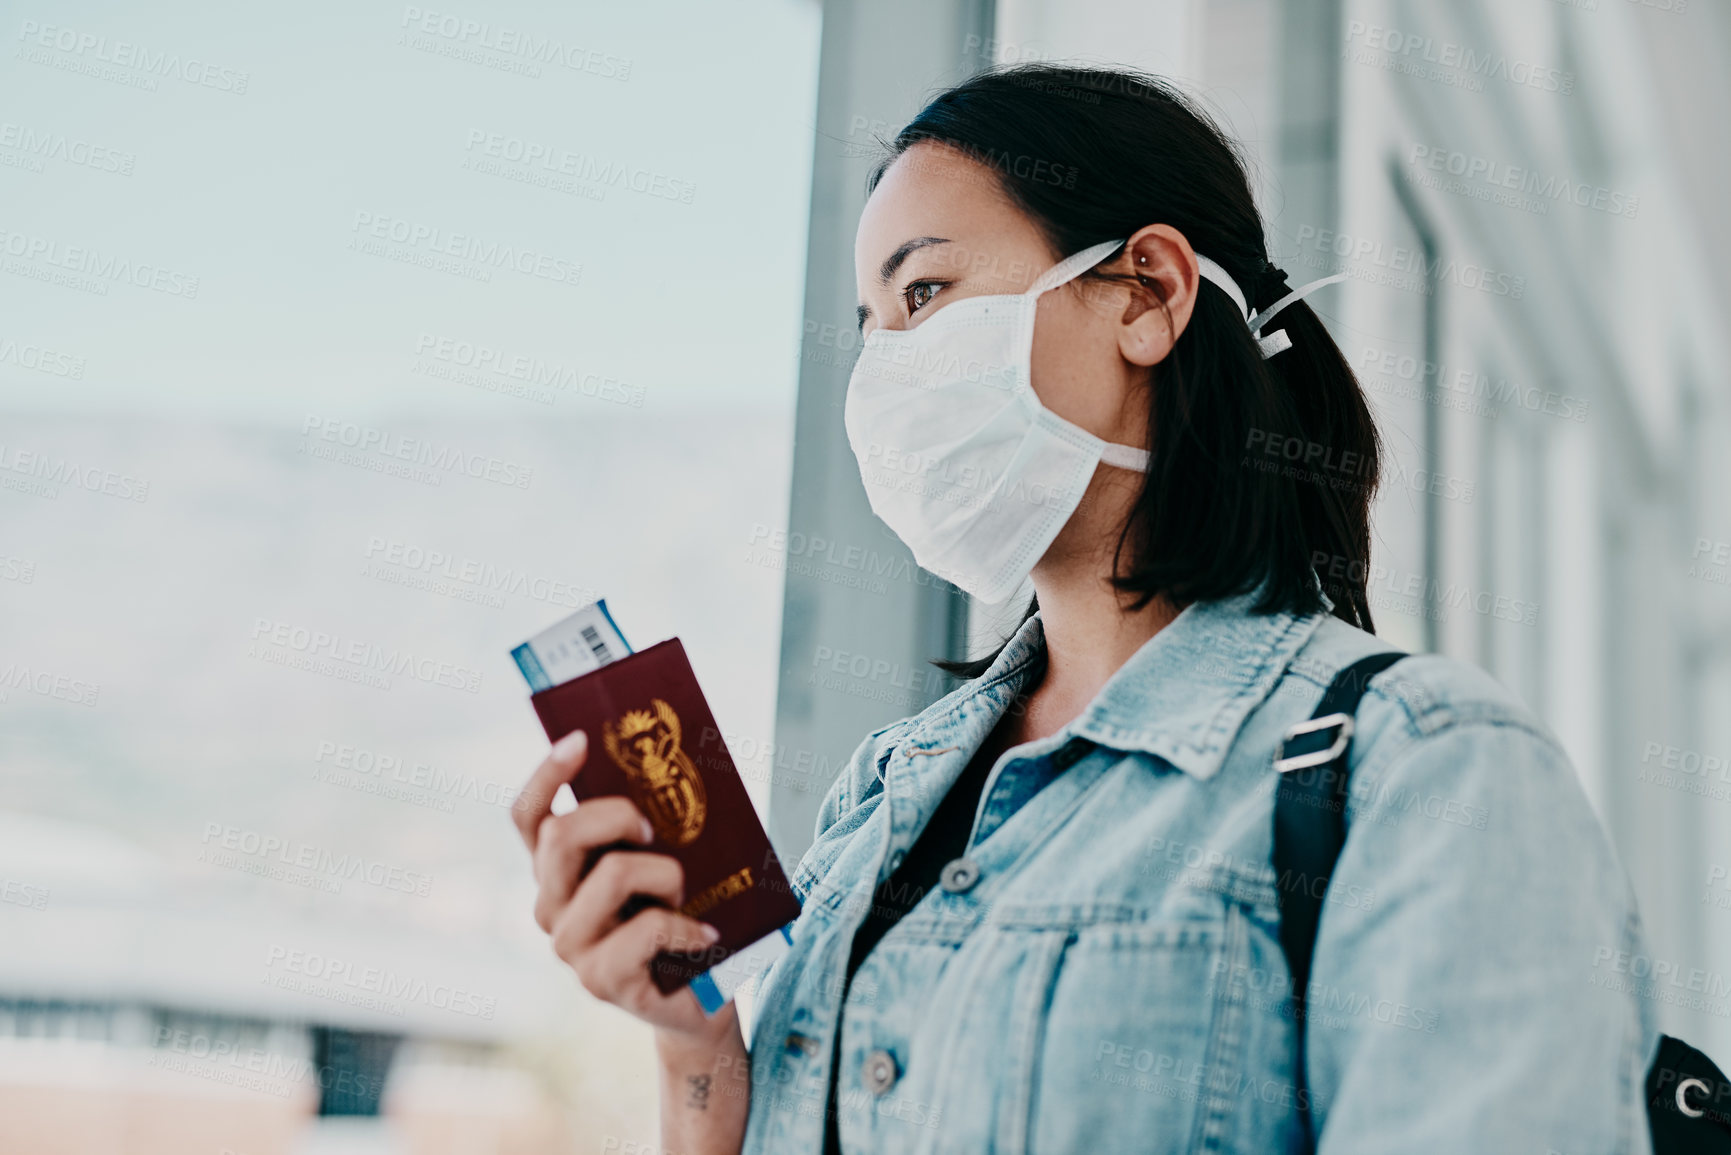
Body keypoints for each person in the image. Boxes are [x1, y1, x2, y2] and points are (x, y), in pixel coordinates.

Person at [512, 64, 1661, 1153]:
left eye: (924, 292)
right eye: (871, 323)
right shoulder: (885, 797)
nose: (884, 372)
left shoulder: (1427, 773)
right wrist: (693, 1044)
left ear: (1147, 293)